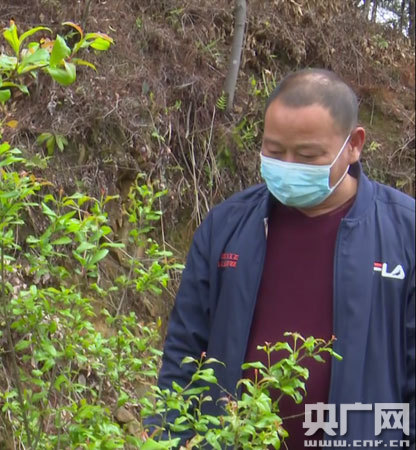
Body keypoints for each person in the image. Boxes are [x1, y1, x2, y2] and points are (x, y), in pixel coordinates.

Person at [151, 69, 415, 448]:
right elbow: (184, 352)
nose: (289, 166)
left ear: (354, 145)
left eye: (307, 155)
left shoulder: (404, 233)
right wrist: (168, 437)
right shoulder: (227, 226)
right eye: (274, 152)